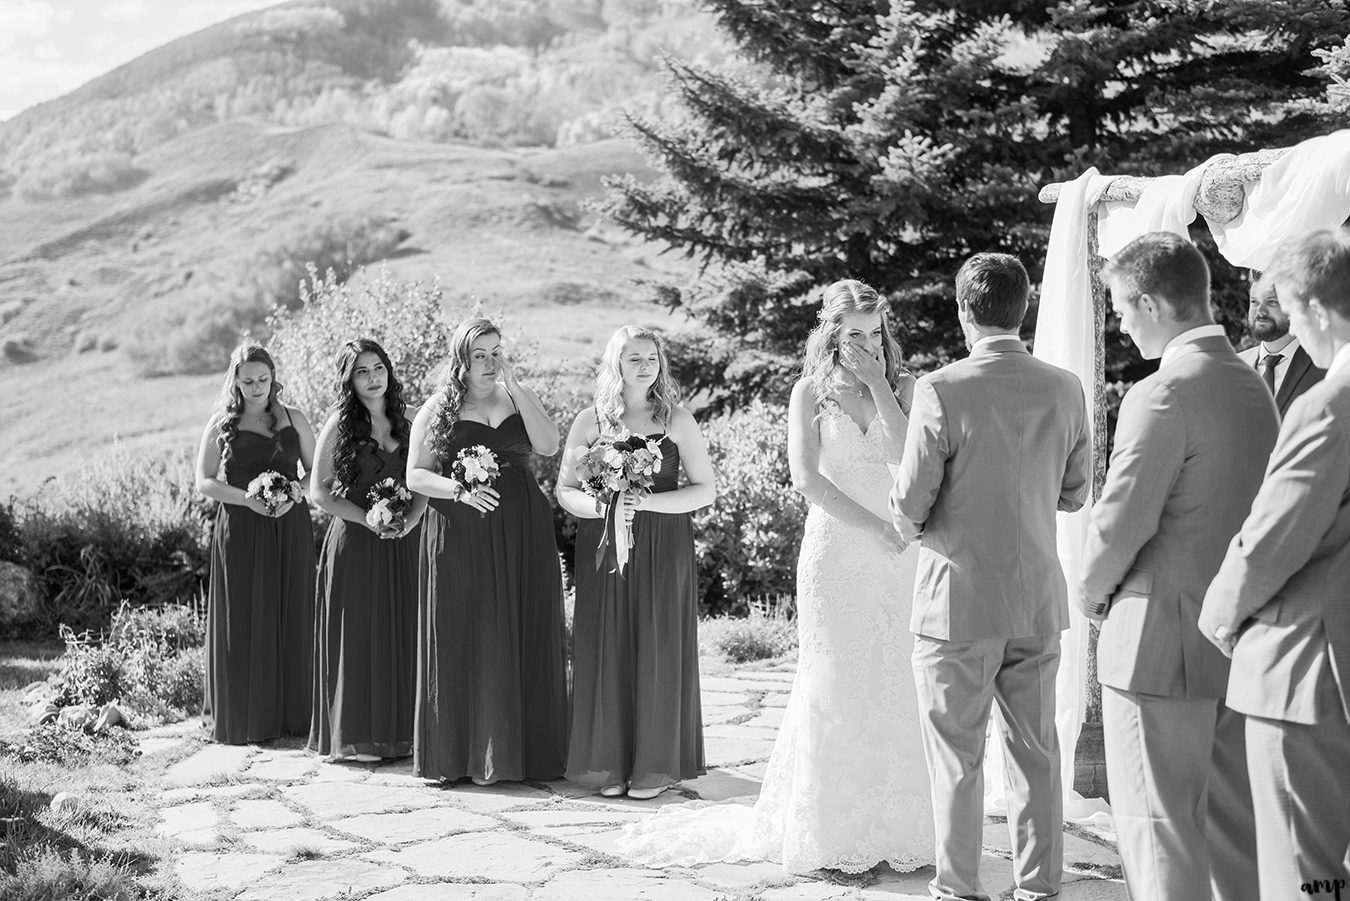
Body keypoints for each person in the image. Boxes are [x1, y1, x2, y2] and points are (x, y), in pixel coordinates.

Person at [621, 279, 934, 874]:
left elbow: (907, 456)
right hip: (840, 549)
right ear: (833, 336)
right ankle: (830, 831)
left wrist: (877, 385)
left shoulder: (907, 386)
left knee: (897, 679)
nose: (868, 343)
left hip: (900, 556)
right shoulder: (809, 391)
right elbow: (806, 479)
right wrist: (875, 525)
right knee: (836, 680)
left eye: (875, 332)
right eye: (854, 335)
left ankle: (901, 826)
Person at [1076, 233, 1274, 901]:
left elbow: (1119, 524)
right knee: (1233, 839)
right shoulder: (1255, 387)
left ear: (1153, 302)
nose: (1121, 323)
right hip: (1236, 646)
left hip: (1157, 648)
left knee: (1159, 838)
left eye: (1123, 308)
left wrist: (1090, 595)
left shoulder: (1162, 393)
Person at [890, 253, 1089, 901]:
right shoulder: (1065, 387)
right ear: (1022, 307)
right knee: (1036, 752)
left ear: (960, 309)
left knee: (958, 757)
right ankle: (1039, 886)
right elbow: (1075, 492)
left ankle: (959, 888)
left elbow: (911, 503)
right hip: (1035, 599)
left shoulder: (941, 388)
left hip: (956, 603)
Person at [1200, 228, 1350, 901]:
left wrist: (1219, 612)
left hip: (1304, 666)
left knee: (1304, 872)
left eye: (1291, 311)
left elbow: (1272, 536)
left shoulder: (1328, 404)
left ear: (1316, 310)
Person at [406, 317, 568, 784]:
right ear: (461, 359)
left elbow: (550, 445)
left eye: (497, 351)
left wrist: (519, 390)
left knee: (521, 626)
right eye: (480, 354)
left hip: (522, 529)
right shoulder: (438, 408)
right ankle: (461, 756)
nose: (491, 362)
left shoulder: (517, 396)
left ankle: (522, 753)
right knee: (466, 630)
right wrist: (458, 490)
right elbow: (416, 476)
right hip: (461, 532)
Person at [556, 326, 716, 800]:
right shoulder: (590, 421)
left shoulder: (678, 420)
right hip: (605, 548)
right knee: (608, 644)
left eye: (651, 358)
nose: (644, 366)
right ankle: (608, 763)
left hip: (665, 546)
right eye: (633, 359)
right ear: (616, 365)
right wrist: (606, 509)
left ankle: (653, 767)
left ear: (659, 364)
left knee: (658, 644)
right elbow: (565, 491)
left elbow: (704, 489)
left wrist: (643, 506)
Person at [308, 339, 426, 762]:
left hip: (405, 543)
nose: (373, 378)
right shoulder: (339, 423)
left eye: (378, 368)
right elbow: (318, 492)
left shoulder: (411, 419)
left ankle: (406, 732)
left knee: (404, 630)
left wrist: (409, 520)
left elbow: (427, 478)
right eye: (362, 371)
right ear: (349, 379)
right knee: (359, 636)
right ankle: (360, 735)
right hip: (355, 543)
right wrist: (369, 519)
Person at [194, 339, 316, 744]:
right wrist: (247, 498)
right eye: (248, 381)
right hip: (242, 529)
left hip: (289, 524)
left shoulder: (294, 418)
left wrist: (292, 494)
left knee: (292, 608)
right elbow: (205, 481)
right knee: (244, 615)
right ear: (236, 382)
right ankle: (246, 714)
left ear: (273, 378)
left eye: (263, 379)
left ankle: (294, 713)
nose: (257, 387)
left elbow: (316, 473)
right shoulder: (220, 424)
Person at [1238, 275, 1325, 418]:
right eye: (1254, 302)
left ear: (1292, 306)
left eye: (1271, 302)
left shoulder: (1322, 365)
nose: (1260, 311)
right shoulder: (1236, 365)